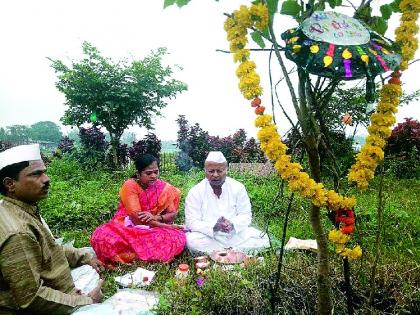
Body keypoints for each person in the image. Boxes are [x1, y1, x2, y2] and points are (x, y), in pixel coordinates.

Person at [0, 144, 104, 315]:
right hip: (24, 308)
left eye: (44, 172)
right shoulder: (18, 233)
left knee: (90, 263)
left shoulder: (18, 208)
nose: (46, 179)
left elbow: (49, 249)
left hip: (49, 285)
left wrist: (84, 257)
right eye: (36, 174)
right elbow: (31, 298)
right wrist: (86, 301)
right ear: (10, 184)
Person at [91, 154, 186, 264]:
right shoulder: (130, 185)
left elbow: (172, 214)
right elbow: (137, 219)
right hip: (129, 227)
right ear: (138, 174)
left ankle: (136, 255)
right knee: (102, 236)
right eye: (148, 173)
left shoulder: (164, 188)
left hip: (154, 227)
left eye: (156, 172)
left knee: (176, 237)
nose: (154, 176)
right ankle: (143, 256)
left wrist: (156, 217)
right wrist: (169, 226)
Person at [185, 151, 270, 254]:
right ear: (205, 171)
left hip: (235, 235)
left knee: (263, 238)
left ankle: (219, 253)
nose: (215, 175)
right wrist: (213, 227)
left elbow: (246, 215)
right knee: (191, 242)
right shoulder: (195, 191)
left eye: (219, 171)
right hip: (209, 236)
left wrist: (232, 224)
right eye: (211, 171)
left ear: (226, 170)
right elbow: (191, 221)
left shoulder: (238, 187)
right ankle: (235, 252)